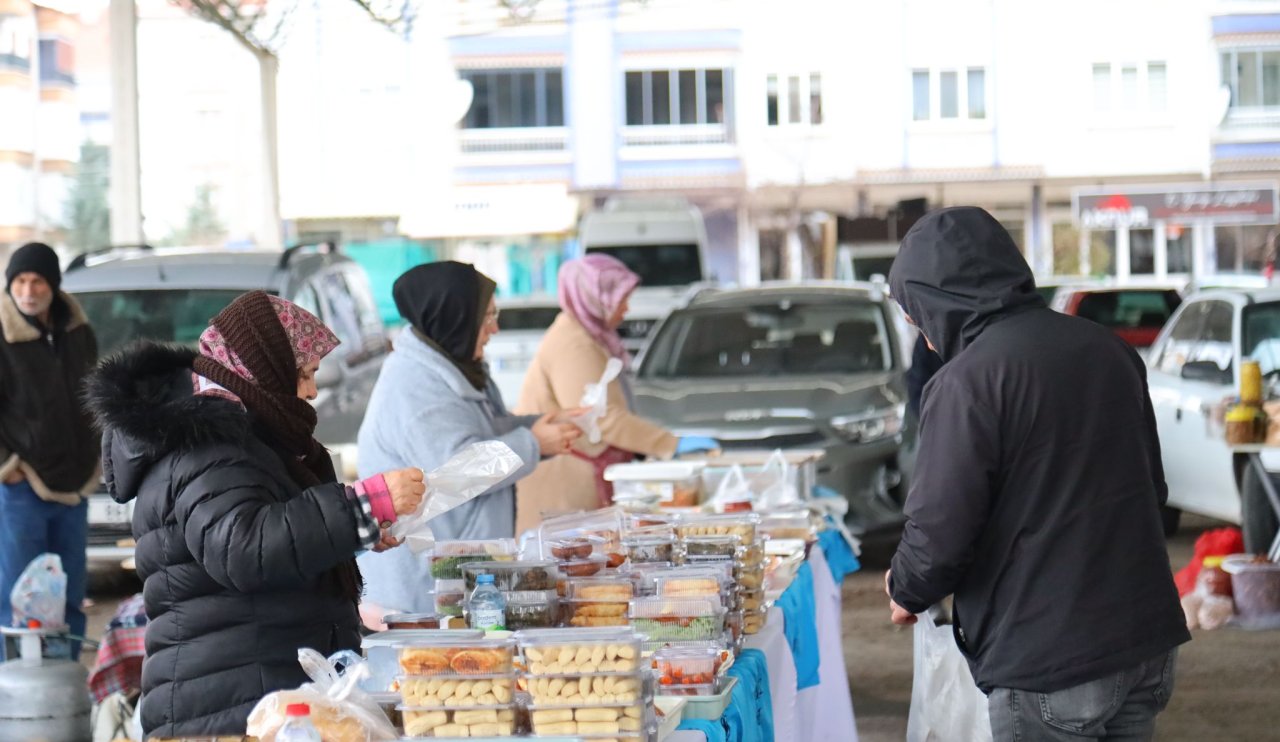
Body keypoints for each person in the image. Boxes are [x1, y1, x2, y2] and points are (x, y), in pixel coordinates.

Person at [883, 207, 1190, 741]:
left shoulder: (968, 384)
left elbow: (940, 534)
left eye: (917, 313)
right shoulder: (1109, 351)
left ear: (939, 303)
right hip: (1144, 643)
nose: (922, 331)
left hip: (1050, 660)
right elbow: (1153, 490)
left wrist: (904, 588)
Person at [85, 291, 427, 737]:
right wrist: (360, 506)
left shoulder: (247, 433)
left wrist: (355, 530)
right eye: (304, 373)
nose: (311, 390)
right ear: (264, 369)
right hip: (229, 711)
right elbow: (243, 548)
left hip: (260, 695)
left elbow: (274, 525)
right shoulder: (208, 444)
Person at [356, 262, 581, 619]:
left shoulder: (454, 366)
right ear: (454, 318)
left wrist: (540, 426)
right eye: (486, 316)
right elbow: (461, 468)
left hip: (459, 573)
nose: (494, 328)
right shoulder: (414, 386)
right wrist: (534, 442)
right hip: (422, 593)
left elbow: (483, 429)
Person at [515, 254, 718, 534]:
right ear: (595, 297)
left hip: (580, 481)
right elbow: (599, 416)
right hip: (565, 487)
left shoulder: (589, 337)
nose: (626, 308)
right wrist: (669, 443)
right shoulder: (573, 344)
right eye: (620, 299)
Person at [0, 242, 100, 654]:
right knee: (19, 600)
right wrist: (9, 467)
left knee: (70, 594)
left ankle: (64, 685)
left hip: (74, 484)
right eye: (19, 281)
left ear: (53, 285)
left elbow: (94, 395)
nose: (27, 290)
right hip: (23, 488)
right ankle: (16, 698)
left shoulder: (78, 333)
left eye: (36, 280)